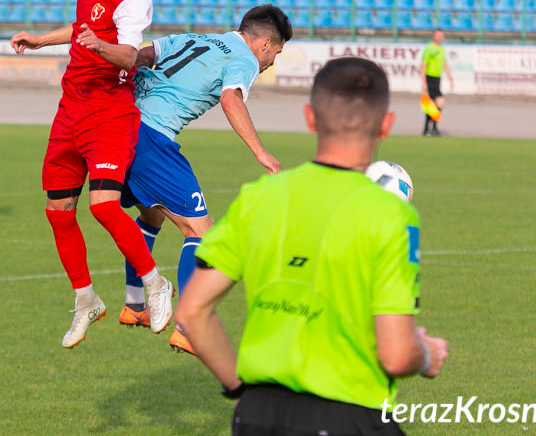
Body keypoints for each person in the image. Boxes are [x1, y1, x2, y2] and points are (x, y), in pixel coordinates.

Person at [175, 57, 449, 435]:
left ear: (310, 117)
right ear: (386, 125)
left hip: (256, 416)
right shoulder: (391, 215)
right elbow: (397, 353)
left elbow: (191, 312)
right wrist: (427, 355)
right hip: (346, 414)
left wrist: (240, 389)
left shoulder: (259, 196)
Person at [9, 0, 174, 349]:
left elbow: (128, 52)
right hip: (71, 107)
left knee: (103, 206)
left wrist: (100, 47)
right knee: (57, 211)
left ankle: (155, 284)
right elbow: (83, 30)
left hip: (109, 111)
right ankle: (86, 300)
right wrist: (42, 40)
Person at [118, 5, 293, 356]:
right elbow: (231, 99)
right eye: (276, 52)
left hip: (121, 126)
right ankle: (187, 327)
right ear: (264, 43)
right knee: (200, 232)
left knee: (152, 214)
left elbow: (141, 56)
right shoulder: (244, 59)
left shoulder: (198, 38)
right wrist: (260, 151)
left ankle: (134, 304)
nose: (272, 61)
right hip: (152, 138)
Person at [420, 28, 453, 136]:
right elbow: (423, 66)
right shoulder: (429, 48)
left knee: (433, 104)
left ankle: (427, 128)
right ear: (434, 36)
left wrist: (450, 78)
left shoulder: (442, 48)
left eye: (441, 36)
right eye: (438, 35)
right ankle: (433, 128)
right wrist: (423, 82)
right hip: (430, 77)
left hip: (437, 78)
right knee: (438, 102)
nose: (440, 37)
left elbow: (444, 64)